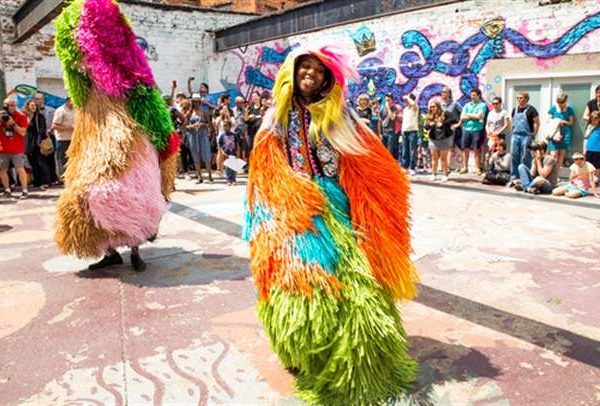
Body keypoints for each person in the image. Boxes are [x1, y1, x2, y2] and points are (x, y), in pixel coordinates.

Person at [244, 45, 418, 404]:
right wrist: (284, 192)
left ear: (327, 78)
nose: (309, 74)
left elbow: (368, 155)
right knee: (301, 278)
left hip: (335, 204)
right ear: (292, 72)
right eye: (303, 67)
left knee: (355, 280)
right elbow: (263, 161)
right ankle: (305, 350)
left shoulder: (341, 114)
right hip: (293, 204)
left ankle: (355, 358)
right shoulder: (276, 114)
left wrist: (370, 200)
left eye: (317, 70)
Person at [54, 0, 180, 271]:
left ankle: (135, 249)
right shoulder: (83, 84)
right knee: (92, 192)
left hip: (131, 137)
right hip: (94, 133)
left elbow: (150, 104)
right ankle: (109, 251)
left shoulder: (130, 74)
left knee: (133, 188)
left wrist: (162, 136)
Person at [0, 97, 29, 199]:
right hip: (3, 149)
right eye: (9, 105)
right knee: (2, 170)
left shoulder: (21, 116)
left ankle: (25, 190)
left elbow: (23, 132)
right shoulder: (1, 115)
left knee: (20, 169)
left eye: (14, 105)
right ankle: (7, 190)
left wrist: (13, 124)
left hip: (17, 149)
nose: (12, 107)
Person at [454, 88, 486, 175]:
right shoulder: (467, 105)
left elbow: (480, 116)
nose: (472, 97)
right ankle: (465, 167)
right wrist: (472, 116)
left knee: (476, 149)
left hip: (477, 129)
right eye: (471, 95)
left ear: (479, 96)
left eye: (474, 95)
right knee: (465, 149)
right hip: (466, 129)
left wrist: (468, 115)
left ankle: (477, 168)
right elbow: (462, 117)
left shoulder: (482, 105)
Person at [23, 99, 53, 190]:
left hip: (37, 142)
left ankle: (47, 182)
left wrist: (38, 141)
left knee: (41, 163)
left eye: (34, 105)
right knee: (33, 163)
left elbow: (42, 130)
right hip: (28, 143)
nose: (33, 107)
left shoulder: (39, 117)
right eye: (31, 105)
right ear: (27, 106)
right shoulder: (25, 117)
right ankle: (37, 182)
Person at [510, 91, 540, 178]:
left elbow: (537, 122)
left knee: (525, 156)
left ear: (526, 99)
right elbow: (513, 121)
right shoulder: (514, 109)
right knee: (514, 155)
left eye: (521, 98)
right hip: (515, 135)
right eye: (518, 98)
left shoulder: (531, 110)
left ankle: (525, 175)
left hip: (526, 136)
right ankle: (514, 175)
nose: (519, 100)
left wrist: (534, 133)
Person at [186, 94, 214, 183]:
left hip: (203, 134)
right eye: (195, 101)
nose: (196, 103)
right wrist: (192, 126)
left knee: (206, 154)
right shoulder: (189, 113)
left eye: (198, 101)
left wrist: (203, 125)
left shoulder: (204, 112)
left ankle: (210, 175)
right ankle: (199, 176)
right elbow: (185, 125)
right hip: (193, 135)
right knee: (195, 155)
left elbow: (209, 124)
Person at [424, 101, 453, 181]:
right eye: (431, 107)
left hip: (444, 138)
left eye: (434, 106)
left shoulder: (445, 113)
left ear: (438, 107)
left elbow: (454, 119)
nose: (432, 108)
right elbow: (426, 127)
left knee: (443, 158)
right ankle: (433, 174)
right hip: (433, 138)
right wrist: (429, 124)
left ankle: (445, 174)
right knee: (434, 158)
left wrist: (443, 123)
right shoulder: (430, 116)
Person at [547, 92, 574, 170]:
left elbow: (571, 122)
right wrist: (557, 121)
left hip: (565, 134)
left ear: (565, 101)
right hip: (554, 133)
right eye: (558, 102)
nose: (560, 104)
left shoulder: (569, 109)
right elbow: (548, 120)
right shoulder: (553, 108)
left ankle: (557, 174)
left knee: (561, 156)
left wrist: (563, 122)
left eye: (562, 102)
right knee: (554, 155)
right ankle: (551, 172)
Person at [51, 97, 75, 180]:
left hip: (73, 138)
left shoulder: (76, 109)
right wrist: (68, 127)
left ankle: (72, 177)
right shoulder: (60, 110)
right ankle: (64, 178)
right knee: (63, 160)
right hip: (63, 139)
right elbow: (54, 126)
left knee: (73, 160)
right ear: (68, 100)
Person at [441, 86, 462, 171]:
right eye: (442, 92)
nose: (443, 94)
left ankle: (447, 167)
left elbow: (463, 113)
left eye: (445, 92)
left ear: (449, 93)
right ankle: (444, 166)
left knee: (449, 147)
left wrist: (458, 124)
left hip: (452, 128)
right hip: (443, 129)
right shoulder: (441, 104)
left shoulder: (455, 103)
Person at [401, 93, 419, 173]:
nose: (406, 101)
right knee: (405, 150)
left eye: (407, 100)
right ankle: (405, 167)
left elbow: (413, 104)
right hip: (405, 131)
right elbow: (404, 121)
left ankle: (412, 167)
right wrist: (402, 130)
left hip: (413, 131)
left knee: (412, 150)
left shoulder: (415, 108)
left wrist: (408, 97)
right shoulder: (405, 109)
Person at [218, 120, 239, 185]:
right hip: (226, 153)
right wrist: (222, 152)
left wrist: (238, 153)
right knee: (227, 167)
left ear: (230, 127)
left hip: (233, 153)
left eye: (226, 126)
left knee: (233, 167)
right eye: (224, 126)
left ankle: (234, 179)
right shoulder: (222, 136)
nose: (224, 127)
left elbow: (237, 145)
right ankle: (229, 179)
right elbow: (220, 145)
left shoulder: (234, 135)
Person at [380, 93, 400, 158]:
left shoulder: (394, 108)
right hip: (384, 131)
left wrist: (388, 108)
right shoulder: (382, 108)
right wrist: (380, 133)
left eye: (389, 100)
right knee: (383, 149)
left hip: (391, 132)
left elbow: (392, 118)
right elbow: (380, 121)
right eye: (386, 100)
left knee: (390, 149)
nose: (387, 101)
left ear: (392, 100)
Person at [244, 91, 263, 155]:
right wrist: (247, 113)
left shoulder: (262, 107)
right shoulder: (250, 108)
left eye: (255, 96)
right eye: (252, 97)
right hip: (251, 133)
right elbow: (246, 120)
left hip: (260, 133)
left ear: (259, 97)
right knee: (251, 150)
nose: (254, 98)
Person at [584, 111, 600, 182]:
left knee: (597, 166)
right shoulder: (589, 127)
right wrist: (584, 149)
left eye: (596, 119)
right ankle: (590, 180)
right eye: (593, 120)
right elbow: (586, 137)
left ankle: (596, 180)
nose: (594, 121)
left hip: (598, 149)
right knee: (589, 165)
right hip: (589, 149)